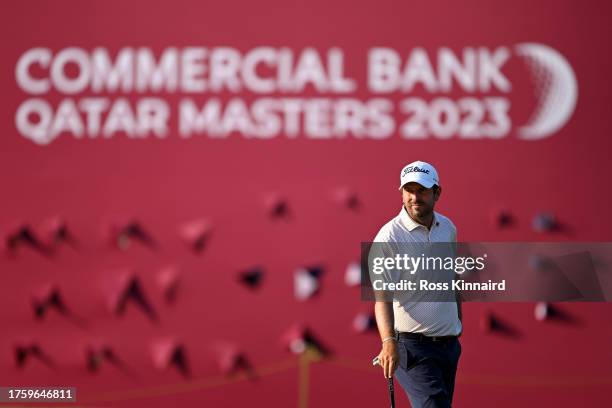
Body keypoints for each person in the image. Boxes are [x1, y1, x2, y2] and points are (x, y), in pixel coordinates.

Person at [373, 160, 462, 408]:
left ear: (437, 193)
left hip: (448, 345)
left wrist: (457, 319)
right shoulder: (389, 237)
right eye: (408, 190)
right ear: (401, 193)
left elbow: (450, 275)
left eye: (422, 190)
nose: (414, 197)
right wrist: (388, 342)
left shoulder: (447, 228)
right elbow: (382, 298)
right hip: (412, 348)